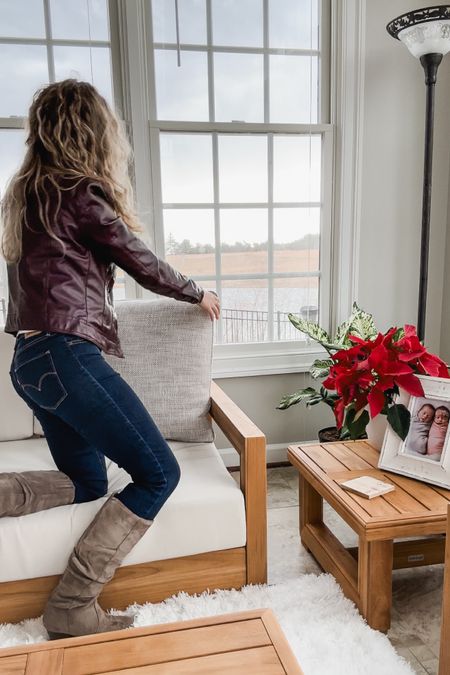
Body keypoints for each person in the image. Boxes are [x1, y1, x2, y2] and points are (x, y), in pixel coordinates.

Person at [0, 79, 220, 640]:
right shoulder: (78, 191)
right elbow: (138, 258)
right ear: (92, 131)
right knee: (159, 472)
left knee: (87, 480)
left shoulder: (26, 196)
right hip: (65, 355)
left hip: (29, 363)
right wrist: (197, 291)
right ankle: (72, 606)